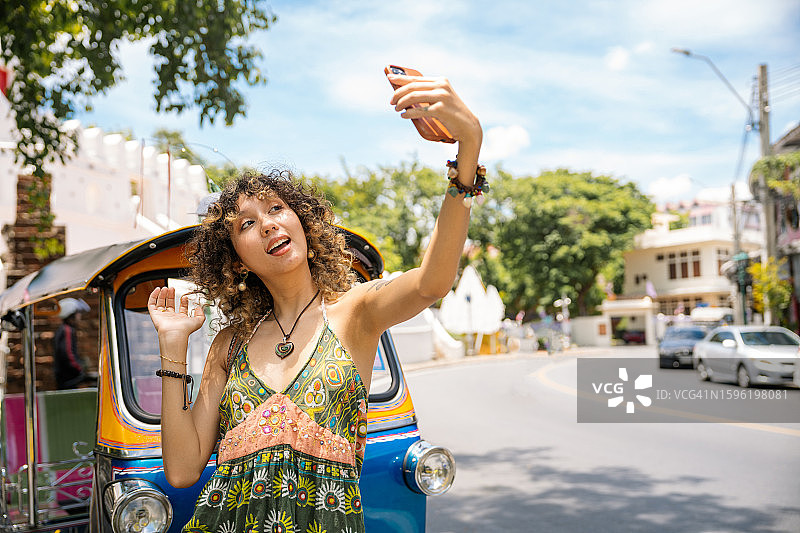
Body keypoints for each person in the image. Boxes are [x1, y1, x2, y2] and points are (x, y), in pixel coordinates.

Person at [148, 71, 483, 533]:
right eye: (245, 225)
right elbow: (183, 470)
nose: (266, 224)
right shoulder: (230, 345)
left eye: (275, 209)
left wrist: (467, 149)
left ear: (302, 221)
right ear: (236, 261)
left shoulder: (356, 312)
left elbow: (432, 281)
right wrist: (173, 344)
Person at [53, 297, 95, 389]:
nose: (79, 316)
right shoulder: (67, 330)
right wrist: (79, 369)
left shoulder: (64, 329)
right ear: (71, 315)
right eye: (77, 313)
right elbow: (68, 354)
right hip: (68, 379)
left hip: (64, 377)